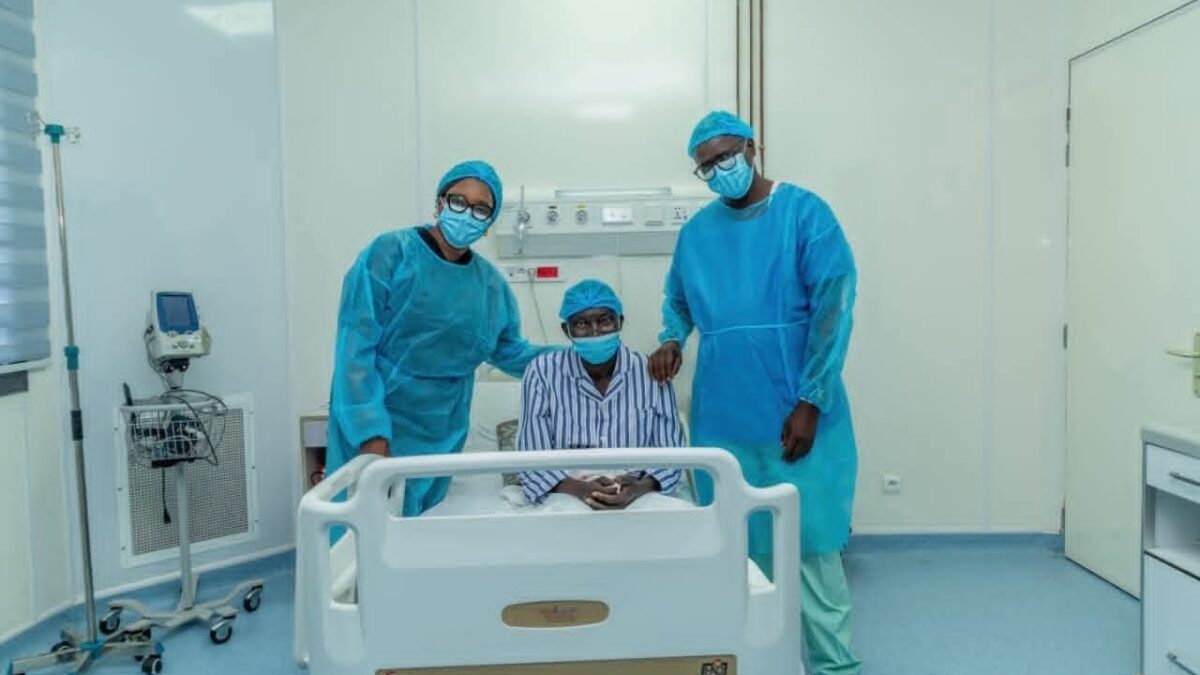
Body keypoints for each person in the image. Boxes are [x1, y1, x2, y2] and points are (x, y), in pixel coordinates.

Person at [648, 111, 861, 674]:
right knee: (740, 541)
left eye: (725, 156)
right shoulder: (698, 234)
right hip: (723, 410)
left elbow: (833, 310)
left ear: (750, 146)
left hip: (794, 406)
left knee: (810, 542)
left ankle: (834, 666)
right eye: (706, 166)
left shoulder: (804, 214)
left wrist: (810, 400)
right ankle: (758, 658)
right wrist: (671, 339)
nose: (719, 169)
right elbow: (678, 300)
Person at [326, 160, 554, 517]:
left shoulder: (490, 286)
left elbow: (509, 352)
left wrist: (580, 358)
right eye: (458, 201)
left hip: (443, 430)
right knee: (364, 529)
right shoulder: (390, 255)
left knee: (422, 529)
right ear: (440, 202)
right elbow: (355, 349)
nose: (467, 214)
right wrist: (371, 433)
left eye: (481, 209)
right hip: (381, 420)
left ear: (489, 223)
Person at [518, 279, 685, 511]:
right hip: (566, 490)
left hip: (639, 490)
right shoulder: (542, 372)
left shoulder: (651, 372)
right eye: (582, 324)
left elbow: (672, 454)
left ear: (620, 322)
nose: (595, 331)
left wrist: (639, 488)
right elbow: (531, 458)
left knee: (673, 521)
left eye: (604, 321)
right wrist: (581, 489)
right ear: (567, 330)